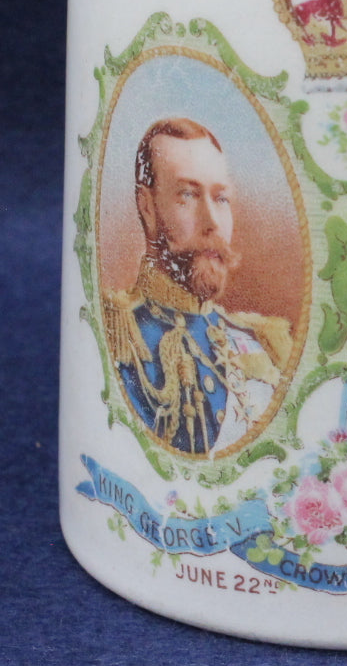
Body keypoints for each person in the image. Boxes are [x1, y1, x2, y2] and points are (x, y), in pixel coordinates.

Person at [102, 117, 292, 456]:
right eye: (188, 195)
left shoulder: (262, 340)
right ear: (147, 207)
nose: (212, 222)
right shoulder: (121, 334)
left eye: (221, 198)